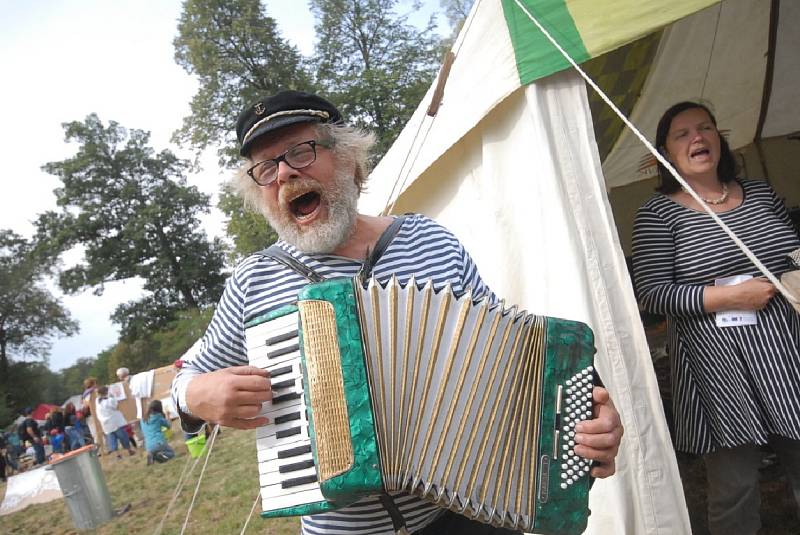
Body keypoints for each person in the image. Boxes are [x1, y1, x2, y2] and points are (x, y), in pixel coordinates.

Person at [171, 90, 624, 535]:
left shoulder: (429, 241)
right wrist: (192, 396)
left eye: (301, 152)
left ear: (350, 161)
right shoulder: (256, 279)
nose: (285, 172)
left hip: (471, 512)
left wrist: (584, 423)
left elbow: (514, 358)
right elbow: (186, 379)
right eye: (265, 168)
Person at [631, 101, 800, 535]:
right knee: (735, 485)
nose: (697, 138)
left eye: (705, 128)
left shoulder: (760, 193)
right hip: (717, 364)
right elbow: (652, 292)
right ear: (665, 153)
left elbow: (792, 254)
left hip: (786, 350)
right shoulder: (658, 213)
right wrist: (728, 296)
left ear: (719, 139)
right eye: (682, 134)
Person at [95, 386, 136, 459]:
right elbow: (115, 406)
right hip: (115, 422)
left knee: (112, 439)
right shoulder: (109, 400)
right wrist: (112, 397)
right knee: (123, 437)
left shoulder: (98, 401)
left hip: (106, 424)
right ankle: (129, 451)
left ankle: (118, 455)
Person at [140, 400, 175, 465]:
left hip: (148, 445)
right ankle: (160, 454)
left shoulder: (143, 419)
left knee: (156, 450)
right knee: (172, 454)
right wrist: (168, 415)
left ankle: (153, 454)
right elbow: (168, 426)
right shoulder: (158, 417)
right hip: (159, 442)